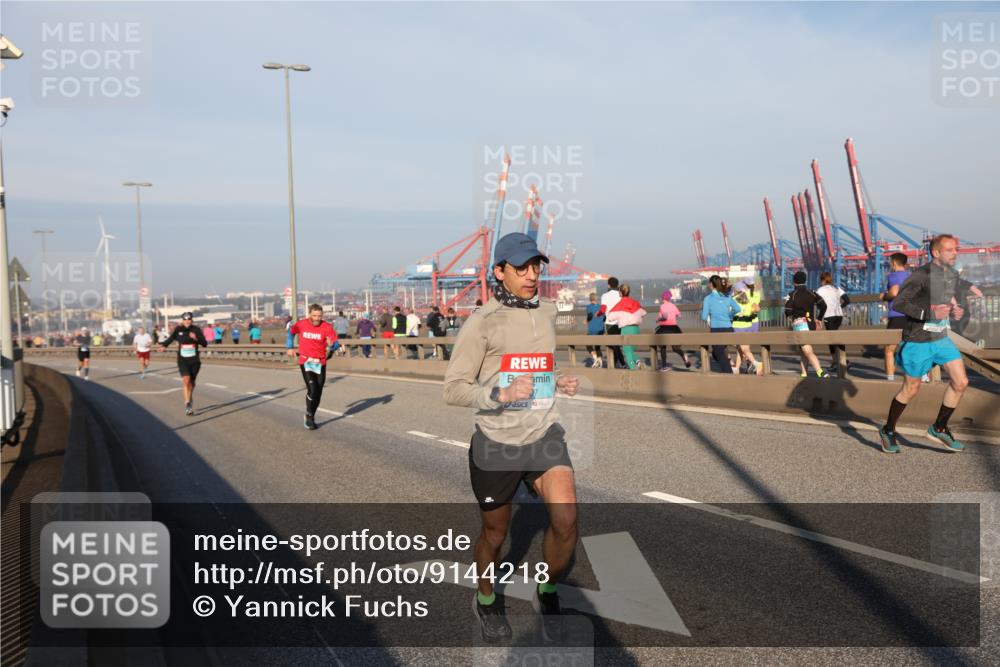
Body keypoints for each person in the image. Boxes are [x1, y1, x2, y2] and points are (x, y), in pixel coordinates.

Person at [444, 232, 579, 643]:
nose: (531, 274)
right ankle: (486, 599)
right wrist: (500, 394)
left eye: (536, 266)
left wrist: (556, 380)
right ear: (499, 271)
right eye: (521, 267)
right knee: (496, 535)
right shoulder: (481, 323)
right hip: (496, 441)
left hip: (542, 431)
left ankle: (548, 589)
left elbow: (537, 368)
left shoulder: (548, 311)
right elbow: (454, 389)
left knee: (566, 518)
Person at [878, 234, 969, 454]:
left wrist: (956, 311)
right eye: (949, 250)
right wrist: (928, 312)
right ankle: (888, 430)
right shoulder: (921, 275)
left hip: (941, 338)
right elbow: (899, 302)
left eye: (956, 249)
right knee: (911, 389)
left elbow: (946, 304)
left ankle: (939, 427)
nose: (955, 253)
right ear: (936, 253)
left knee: (961, 382)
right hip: (918, 340)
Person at [287, 303, 340, 430]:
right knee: (312, 388)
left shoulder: (327, 327)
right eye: (314, 315)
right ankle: (309, 417)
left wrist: (332, 346)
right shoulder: (301, 324)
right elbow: (291, 332)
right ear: (309, 314)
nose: (317, 318)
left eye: (319, 316)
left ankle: (311, 414)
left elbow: (336, 343)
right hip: (306, 360)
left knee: (319, 391)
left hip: (320, 361)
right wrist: (289, 347)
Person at [159, 313, 208, 416]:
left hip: (194, 360)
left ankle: (189, 397)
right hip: (183, 359)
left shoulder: (196, 330)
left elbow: (204, 344)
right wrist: (164, 346)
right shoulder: (178, 329)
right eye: (185, 319)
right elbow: (171, 338)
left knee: (192, 383)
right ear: (182, 320)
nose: (187, 321)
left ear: (192, 320)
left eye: (189, 319)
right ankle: (188, 405)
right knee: (186, 380)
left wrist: (196, 338)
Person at [784, 271, 827, 378]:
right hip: (811, 323)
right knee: (803, 350)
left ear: (794, 282)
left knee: (807, 350)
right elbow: (823, 306)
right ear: (805, 280)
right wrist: (819, 319)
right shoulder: (812, 292)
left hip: (800, 324)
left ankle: (820, 371)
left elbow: (788, 311)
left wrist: (793, 310)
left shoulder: (792, 295)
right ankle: (804, 373)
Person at [701, 275, 741, 373]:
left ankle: (729, 374)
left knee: (718, 354)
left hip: (716, 330)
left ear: (711, 284)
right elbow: (738, 309)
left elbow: (704, 317)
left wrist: (703, 311)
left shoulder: (708, 298)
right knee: (718, 352)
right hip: (728, 328)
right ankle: (729, 365)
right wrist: (729, 315)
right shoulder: (727, 296)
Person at [881, 252, 909, 381]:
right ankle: (922, 375)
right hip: (911, 316)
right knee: (911, 347)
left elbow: (894, 291)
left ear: (894, 263)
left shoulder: (894, 276)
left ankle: (890, 378)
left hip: (897, 315)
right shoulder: (911, 276)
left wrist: (884, 296)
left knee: (889, 349)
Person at [816, 271, 850, 373]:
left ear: (822, 280)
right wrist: (840, 307)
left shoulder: (820, 290)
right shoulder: (836, 288)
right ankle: (840, 361)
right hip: (838, 316)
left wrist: (818, 318)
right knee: (835, 338)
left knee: (831, 340)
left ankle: (839, 362)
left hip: (829, 316)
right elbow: (847, 300)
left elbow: (820, 305)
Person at [606, 283, 646, 369]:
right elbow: (643, 313)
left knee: (626, 351)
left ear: (620, 293)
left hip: (626, 329)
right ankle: (639, 363)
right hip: (636, 329)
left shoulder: (620, 304)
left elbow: (609, 317)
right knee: (630, 350)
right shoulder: (635, 302)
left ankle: (632, 368)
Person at [732, 280, 763, 375]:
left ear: (736, 290)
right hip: (748, 325)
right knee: (740, 349)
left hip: (738, 326)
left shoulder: (733, 299)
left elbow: (729, 312)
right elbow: (756, 309)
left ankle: (756, 364)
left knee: (744, 349)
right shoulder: (749, 299)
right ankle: (736, 368)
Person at [654, 290, 690, 371]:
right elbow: (680, 316)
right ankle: (684, 355)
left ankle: (664, 366)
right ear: (669, 298)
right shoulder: (673, 306)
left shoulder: (662, 306)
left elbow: (660, 318)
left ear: (663, 298)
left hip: (664, 329)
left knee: (663, 347)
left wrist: (658, 320)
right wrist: (674, 316)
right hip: (674, 328)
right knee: (675, 348)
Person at [599, 277, 627, 369]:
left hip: (610, 323)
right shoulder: (621, 295)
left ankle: (622, 363)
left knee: (614, 344)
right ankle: (616, 364)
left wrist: (597, 314)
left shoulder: (605, 296)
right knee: (617, 344)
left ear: (609, 285)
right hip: (621, 322)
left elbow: (602, 310)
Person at [585, 292, 606, 368]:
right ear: (596, 299)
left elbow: (590, 316)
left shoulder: (588, 307)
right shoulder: (601, 307)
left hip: (592, 330)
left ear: (590, 299)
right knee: (597, 346)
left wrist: (587, 321)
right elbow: (604, 318)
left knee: (588, 344)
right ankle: (599, 361)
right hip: (601, 329)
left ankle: (595, 357)